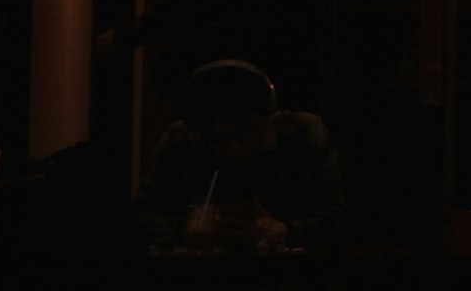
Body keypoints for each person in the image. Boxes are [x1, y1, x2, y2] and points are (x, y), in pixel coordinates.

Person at [138, 57, 343, 255]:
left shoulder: (303, 135)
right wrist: (184, 228)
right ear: (199, 130)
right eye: (218, 139)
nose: (233, 149)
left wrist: (285, 230)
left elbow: (338, 219)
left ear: (266, 119)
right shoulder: (181, 141)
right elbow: (142, 215)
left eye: (243, 135)